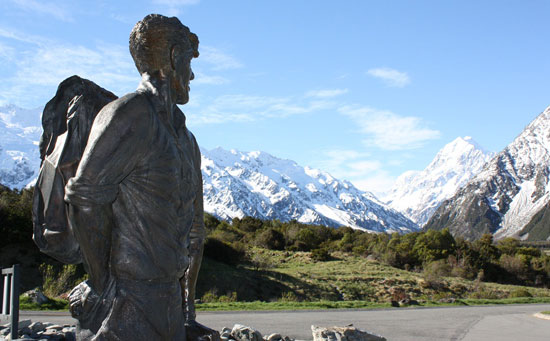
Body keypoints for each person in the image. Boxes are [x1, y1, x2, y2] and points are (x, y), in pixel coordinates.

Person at [62, 14, 206, 340]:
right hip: (125, 304)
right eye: (187, 61)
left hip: (169, 305)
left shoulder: (187, 139)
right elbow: (84, 198)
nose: (193, 75)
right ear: (172, 57)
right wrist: (100, 283)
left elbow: (195, 234)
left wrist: (187, 313)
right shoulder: (130, 115)